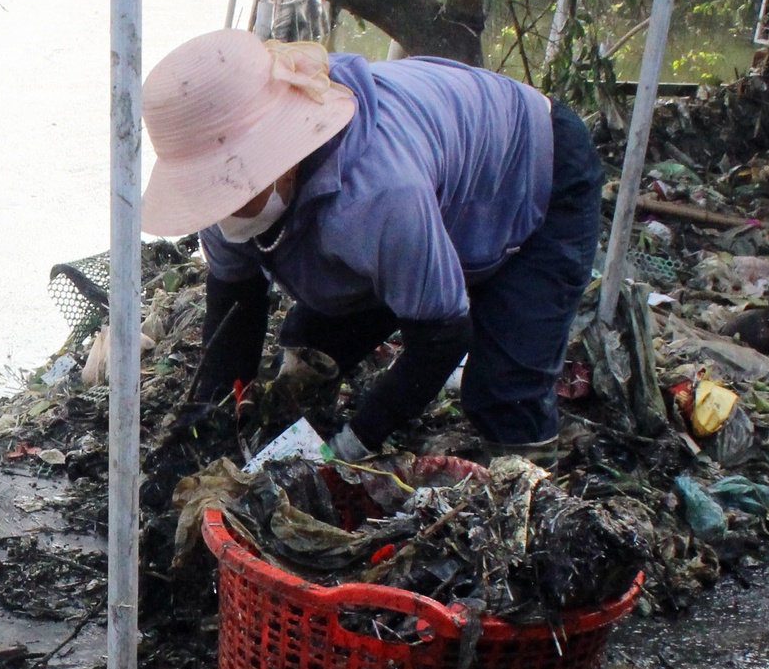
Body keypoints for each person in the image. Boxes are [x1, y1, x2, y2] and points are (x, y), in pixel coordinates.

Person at [140, 29, 603, 456]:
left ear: (283, 155)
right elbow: (235, 310)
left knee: (504, 394)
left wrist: (354, 442)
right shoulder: (224, 196)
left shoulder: (376, 195)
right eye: (211, 190)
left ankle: (532, 477)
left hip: (532, 169)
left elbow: (443, 334)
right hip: (429, 197)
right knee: (309, 348)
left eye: (236, 187)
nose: (225, 207)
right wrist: (211, 422)